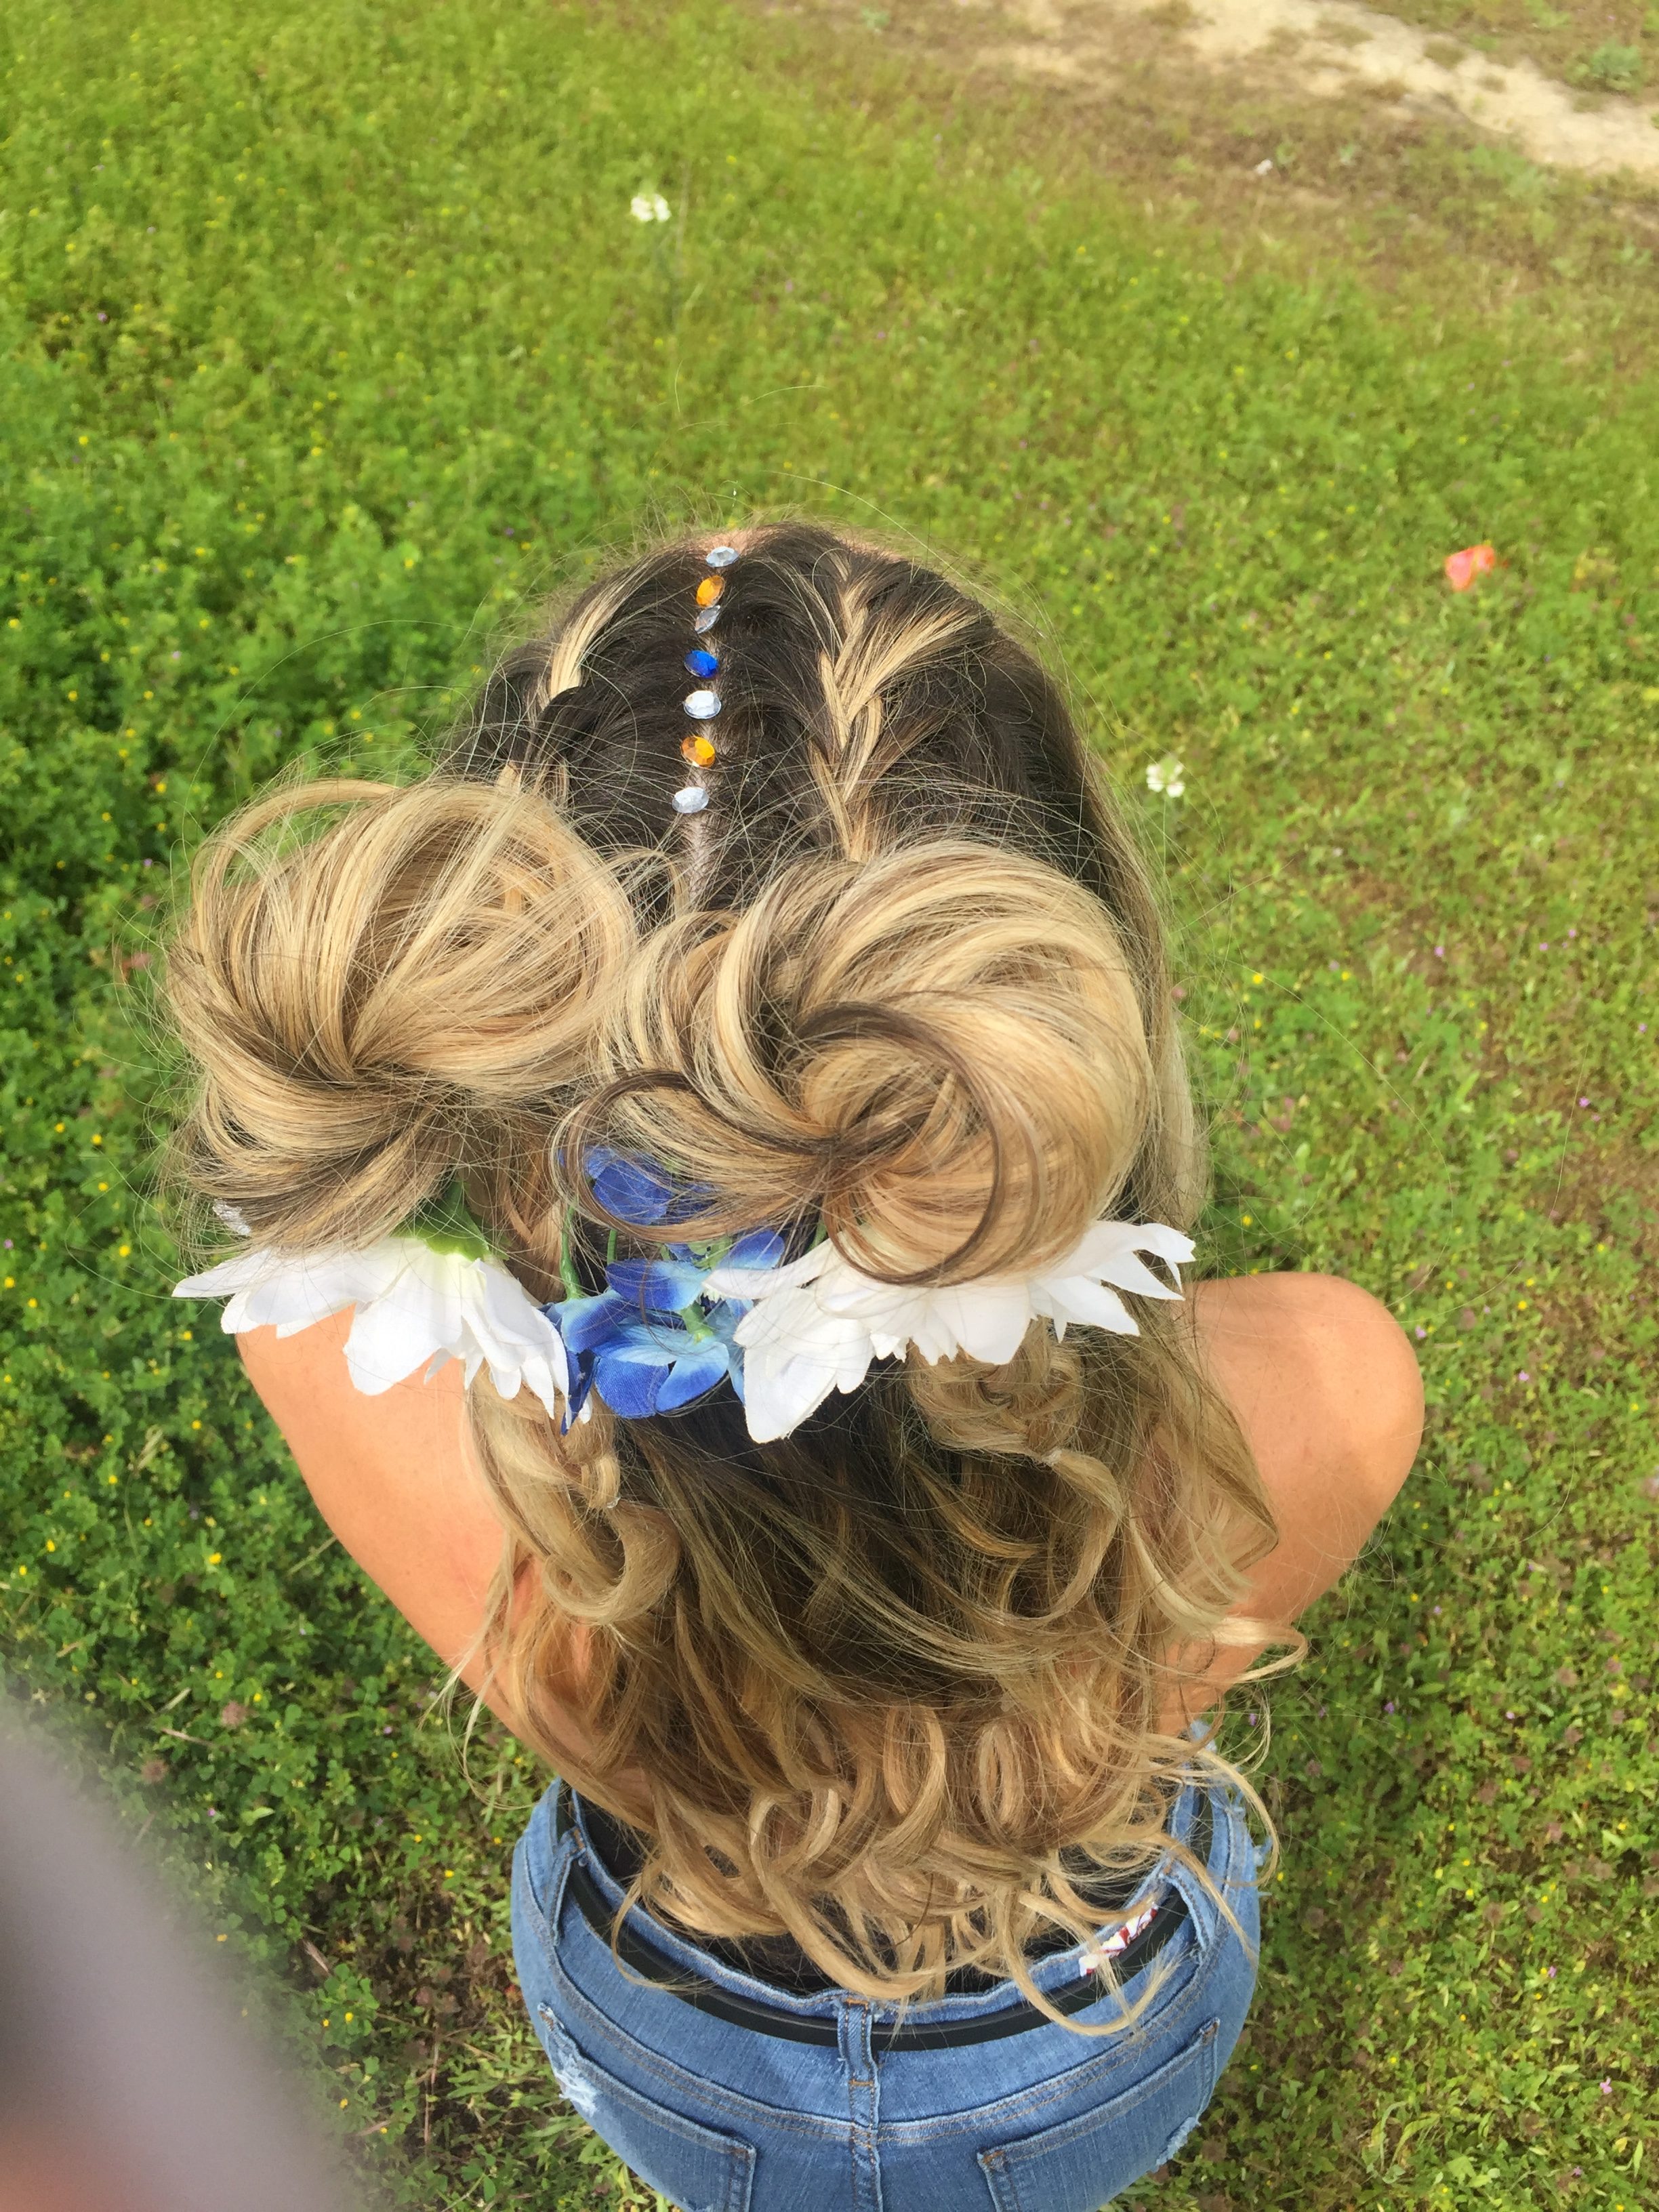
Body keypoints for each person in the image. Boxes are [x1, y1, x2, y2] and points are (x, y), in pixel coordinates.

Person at [166, 520, 1421, 2212]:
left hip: (670, 2030)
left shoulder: (326, 1353)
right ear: (1063, 1001)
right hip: (1092, 2033)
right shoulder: (1329, 1382)